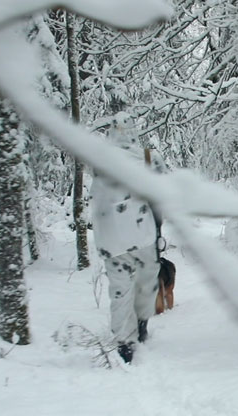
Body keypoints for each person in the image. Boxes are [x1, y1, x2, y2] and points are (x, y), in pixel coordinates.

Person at [90, 120, 163, 363]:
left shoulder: (98, 159)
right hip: (143, 235)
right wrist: (159, 230)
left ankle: (123, 344)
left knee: (119, 290)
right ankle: (141, 325)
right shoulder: (149, 158)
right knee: (146, 284)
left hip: (111, 239)